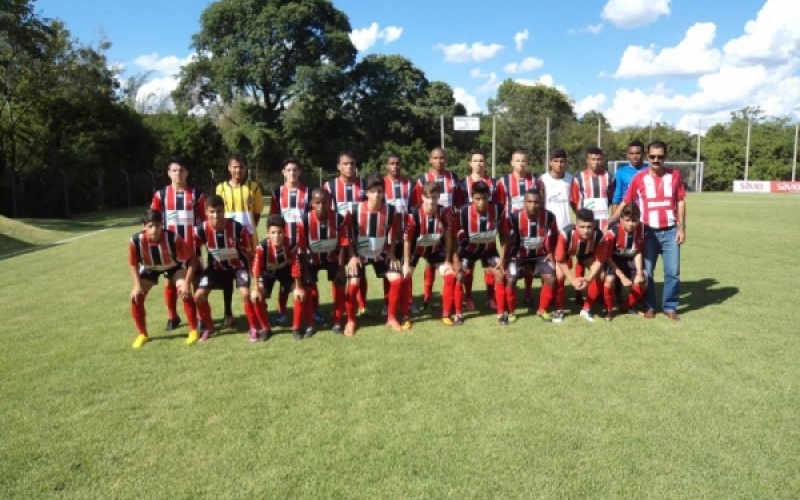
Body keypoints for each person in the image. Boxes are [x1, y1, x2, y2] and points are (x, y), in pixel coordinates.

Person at [613, 140, 686, 321]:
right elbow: (626, 201)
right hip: (647, 233)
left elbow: (681, 201)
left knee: (673, 272)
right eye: (652, 156)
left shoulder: (674, 175)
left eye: (660, 156)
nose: (656, 160)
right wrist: (611, 220)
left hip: (670, 231)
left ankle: (670, 307)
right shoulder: (639, 178)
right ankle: (650, 306)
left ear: (665, 157)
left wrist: (681, 227)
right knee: (648, 273)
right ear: (648, 157)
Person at [193, 195, 264, 342]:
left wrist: (253, 271)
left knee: (245, 294)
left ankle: (253, 328)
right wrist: (197, 270)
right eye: (212, 212)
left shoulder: (237, 227)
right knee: (198, 296)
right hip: (215, 268)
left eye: (219, 211)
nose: (216, 215)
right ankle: (209, 327)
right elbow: (194, 251)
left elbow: (249, 250)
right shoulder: (201, 230)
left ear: (224, 210)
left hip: (238, 267)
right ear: (206, 212)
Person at [128, 209, 198, 349]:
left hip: (173, 266)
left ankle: (194, 330)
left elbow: (193, 260)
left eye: (157, 225)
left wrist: (186, 283)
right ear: (144, 226)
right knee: (136, 297)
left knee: (185, 293)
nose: (154, 229)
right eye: (150, 226)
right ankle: (142, 334)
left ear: (163, 225)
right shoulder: (135, 241)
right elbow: (133, 264)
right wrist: (137, 285)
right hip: (150, 268)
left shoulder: (173, 238)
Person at [150, 157, 206, 330]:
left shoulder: (196, 194)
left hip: (191, 245)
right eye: (174, 170)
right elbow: (154, 219)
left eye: (181, 170)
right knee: (171, 282)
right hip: (169, 248)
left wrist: (201, 242)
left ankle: (200, 316)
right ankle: (172, 316)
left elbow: (203, 221)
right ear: (168, 173)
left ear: (186, 173)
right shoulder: (161, 195)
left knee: (196, 280)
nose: (178, 174)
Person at [344, 174, 403, 335]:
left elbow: (394, 230)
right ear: (367, 193)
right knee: (354, 282)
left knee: (397, 280)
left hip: (381, 253)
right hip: (359, 254)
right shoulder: (355, 210)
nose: (377, 194)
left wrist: (391, 252)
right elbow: (347, 233)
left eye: (380, 191)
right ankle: (351, 321)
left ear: (384, 193)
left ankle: (391, 318)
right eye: (373, 191)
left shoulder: (390, 210)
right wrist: (351, 256)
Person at [412, 147, 464, 312]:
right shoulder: (422, 180)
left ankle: (456, 299)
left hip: (447, 225)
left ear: (445, 160)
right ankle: (427, 296)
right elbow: (415, 204)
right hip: (428, 225)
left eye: (442, 158)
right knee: (429, 260)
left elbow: (459, 202)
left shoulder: (453, 177)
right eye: (435, 158)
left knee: (447, 260)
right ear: (430, 160)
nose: (439, 161)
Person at [215, 154, 264, 329]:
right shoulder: (220, 188)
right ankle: (228, 314)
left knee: (256, 275)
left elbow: (257, 213)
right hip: (229, 242)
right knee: (228, 276)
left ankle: (260, 311)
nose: (238, 170)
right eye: (235, 167)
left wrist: (248, 231)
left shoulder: (254, 187)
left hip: (250, 240)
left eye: (241, 167)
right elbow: (217, 213)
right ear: (229, 168)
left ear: (246, 168)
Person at [454, 181, 508, 325]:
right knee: (460, 276)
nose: (481, 202)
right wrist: (456, 260)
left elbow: (504, 235)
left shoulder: (498, 209)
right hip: (467, 251)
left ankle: (501, 313)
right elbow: (454, 238)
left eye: (484, 198)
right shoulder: (463, 211)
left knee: (500, 274)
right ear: (471, 197)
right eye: (477, 199)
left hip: (489, 250)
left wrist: (502, 259)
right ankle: (458, 314)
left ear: (489, 197)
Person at [298, 188, 351, 335]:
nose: (321, 206)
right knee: (307, 287)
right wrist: (305, 272)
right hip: (311, 259)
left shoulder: (338, 218)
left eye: (325, 202)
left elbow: (342, 244)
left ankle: (337, 321)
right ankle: (310, 324)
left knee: (340, 283)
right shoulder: (304, 220)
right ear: (311, 204)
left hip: (331, 257)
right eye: (318, 203)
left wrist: (341, 268)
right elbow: (301, 249)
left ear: (330, 203)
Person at [403, 182, 456, 328]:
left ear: (438, 197)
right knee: (405, 276)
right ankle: (406, 315)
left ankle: (446, 314)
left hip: (434, 249)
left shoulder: (444, 212)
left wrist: (447, 260)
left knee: (450, 275)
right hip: (416, 249)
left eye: (434, 197)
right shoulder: (414, 214)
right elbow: (407, 241)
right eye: (428, 197)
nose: (431, 201)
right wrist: (406, 264)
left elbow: (448, 237)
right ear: (422, 197)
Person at [502, 189, 559, 323]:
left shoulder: (549, 216)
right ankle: (511, 311)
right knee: (510, 279)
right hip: (518, 256)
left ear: (541, 203)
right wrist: (505, 259)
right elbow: (507, 239)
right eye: (529, 202)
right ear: (524, 203)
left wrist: (551, 252)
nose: (533, 205)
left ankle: (542, 310)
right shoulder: (514, 218)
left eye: (536, 202)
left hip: (541, 255)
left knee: (550, 278)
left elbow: (555, 235)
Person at [324, 151, 368, 315]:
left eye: (352, 164)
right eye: (345, 164)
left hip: (360, 235)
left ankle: (362, 305)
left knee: (360, 271)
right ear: (338, 166)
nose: (349, 167)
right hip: (338, 237)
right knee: (339, 272)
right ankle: (340, 306)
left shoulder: (363, 185)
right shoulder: (329, 187)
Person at [269, 157, 311, 325]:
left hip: (302, 243)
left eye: (295, 170)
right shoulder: (277, 193)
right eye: (289, 170)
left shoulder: (307, 192)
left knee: (307, 277)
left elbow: (310, 219)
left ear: (299, 172)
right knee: (285, 279)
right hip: (284, 244)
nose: (292, 173)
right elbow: (273, 219)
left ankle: (312, 310)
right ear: (283, 172)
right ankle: (282, 312)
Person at [495, 149, 539, 309]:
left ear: (528, 163)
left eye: (524, 161)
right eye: (518, 161)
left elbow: (539, 201)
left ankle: (528, 293)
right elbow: (499, 203)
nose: (521, 164)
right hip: (509, 226)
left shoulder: (535, 180)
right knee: (506, 259)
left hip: (528, 226)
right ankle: (507, 296)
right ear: (511, 162)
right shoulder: (503, 181)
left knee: (527, 260)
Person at [251, 215, 306, 340]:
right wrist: (255, 288)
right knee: (255, 297)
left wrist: (298, 286)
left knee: (300, 294)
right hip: (268, 274)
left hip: (285, 271)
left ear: (284, 231)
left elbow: (295, 265)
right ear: (268, 233)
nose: (277, 236)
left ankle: (296, 328)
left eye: (280, 232)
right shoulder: (262, 247)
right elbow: (256, 269)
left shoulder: (291, 244)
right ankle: (265, 329)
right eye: (273, 232)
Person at [553, 208, 610, 323]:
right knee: (559, 276)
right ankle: (559, 310)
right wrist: (572, 279)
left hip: (586, 254)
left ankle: (586, 309)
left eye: (589, 227)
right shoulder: (566, 233)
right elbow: (560, 259)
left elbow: (599, 261)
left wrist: (588, 279)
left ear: (594, 224)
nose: (586, 231)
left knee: (601, 275)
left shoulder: (599, 236)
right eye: (582, 227)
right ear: (576, 225)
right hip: (567, 254)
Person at [573, 147, 614, 305]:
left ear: (602, 159)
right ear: (587, 160)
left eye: (598, 159)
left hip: (602, 226)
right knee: (581, 257)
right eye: (593, 159)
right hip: (585, 226)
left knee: (599, 259)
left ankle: (598, 295)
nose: (596, 162)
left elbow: (610, 199)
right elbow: (575, 202)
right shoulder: (579, 178)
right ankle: (578, 291)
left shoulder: (609, 177)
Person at [458, 149, 498, 311]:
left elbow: (498, 205)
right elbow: (459, 206)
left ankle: (491, 298)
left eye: (481, 160)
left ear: (485, 163)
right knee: (468, 268)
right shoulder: (462, 184)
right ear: (470, 163)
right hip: (470, 233)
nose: (478, 164)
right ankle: (468, 298)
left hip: (488, 230)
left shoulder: (494, 183)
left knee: (490, 267)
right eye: (475, 160)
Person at [383, 154, 416, 317]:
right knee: (390, 269)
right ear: (386, 166)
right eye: (392, 163)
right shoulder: (382, 184)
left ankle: (408, 302)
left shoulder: (409, 183)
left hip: (406, 233)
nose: (395, 166)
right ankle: (387, 303)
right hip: (388, 235)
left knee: (406, 267)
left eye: (397, 163)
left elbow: (414, 207)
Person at [603, 204, 648, 321]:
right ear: (621, 219)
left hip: (631, 258)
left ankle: (626, 306)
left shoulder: (642, 230)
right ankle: (609, 310)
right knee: (609, 280)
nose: (631, 224)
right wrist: (622, 277)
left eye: (634, 220)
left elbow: (638, 252)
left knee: (644, 281)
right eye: (627, 220)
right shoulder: (612, 232)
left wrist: (639, 273)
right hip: (614, 259)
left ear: (639, 219)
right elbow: (607, 257)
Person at [538, 149, 578, 231]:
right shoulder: (543, 179)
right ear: (550, 162)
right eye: (556, 161)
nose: (559, 164)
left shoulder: (571, 179)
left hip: (566, 226)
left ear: (566, 162)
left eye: (561, 161)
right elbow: (540, 204)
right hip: (548, 225)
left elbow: (575, 204)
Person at [611, 140, 648, 213]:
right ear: (627, 155)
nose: (635, 156)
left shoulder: (651, 170)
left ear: (643, 154)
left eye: (638, 153)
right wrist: (615, 222)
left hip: (647, 213)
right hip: (629, 215)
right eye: (631, 153)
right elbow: (617, 198)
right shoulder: (621, 172)